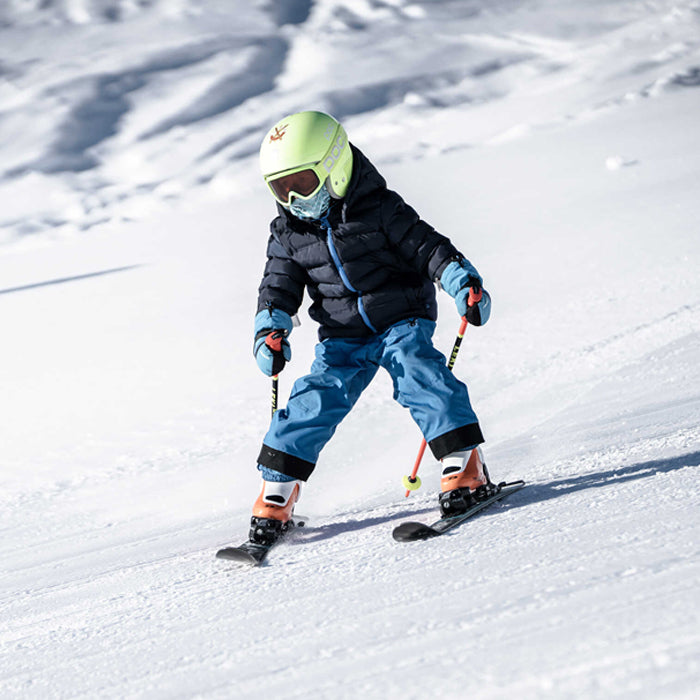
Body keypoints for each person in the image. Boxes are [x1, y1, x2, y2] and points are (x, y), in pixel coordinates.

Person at [249, 110, 493, 545]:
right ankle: (276, 494)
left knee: (418, 372)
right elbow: (277, 286)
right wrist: (271, 331)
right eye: (280, 188)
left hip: (401, 317)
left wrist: (462, 283)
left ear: (334, 167)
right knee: (312, 399)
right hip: (342, 335)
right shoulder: (288, 231)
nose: (292, 199)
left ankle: (463, 464)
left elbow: (429, 248)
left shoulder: (380, 208)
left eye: (301, 183)